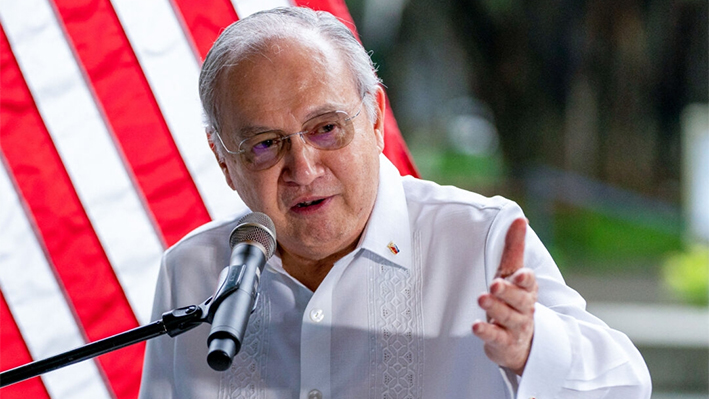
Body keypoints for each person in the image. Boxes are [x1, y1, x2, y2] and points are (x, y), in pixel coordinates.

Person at [138, 7, 651, 399]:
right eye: (265, 145)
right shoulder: (193, 270)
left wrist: (533, 349)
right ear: (224, 161)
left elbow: (628, 386)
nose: (304, 169)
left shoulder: (480, 239)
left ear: (377, 118)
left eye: (327, 129)